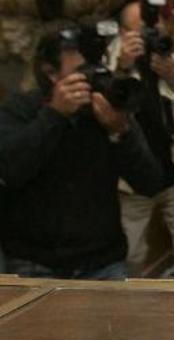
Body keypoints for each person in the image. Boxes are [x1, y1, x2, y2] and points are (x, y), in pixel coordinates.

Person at [0, 26, 163, 280]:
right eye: (81, 73)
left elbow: (151, 182)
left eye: (96, 69)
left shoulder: (106, 111)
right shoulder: (21, 110)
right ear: (51, 74)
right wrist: (55, 115)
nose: (92, 79)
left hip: (103, 262)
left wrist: (121, 132)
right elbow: (10, 170)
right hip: (35, 264)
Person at [109, 0, 174, 282]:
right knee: (130, 254)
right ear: (122, 34)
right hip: (132, 182)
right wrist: (122, 70)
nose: (150, 35)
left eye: (154, 28)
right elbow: (104, 120)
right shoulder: (110, 66)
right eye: (140, 30)